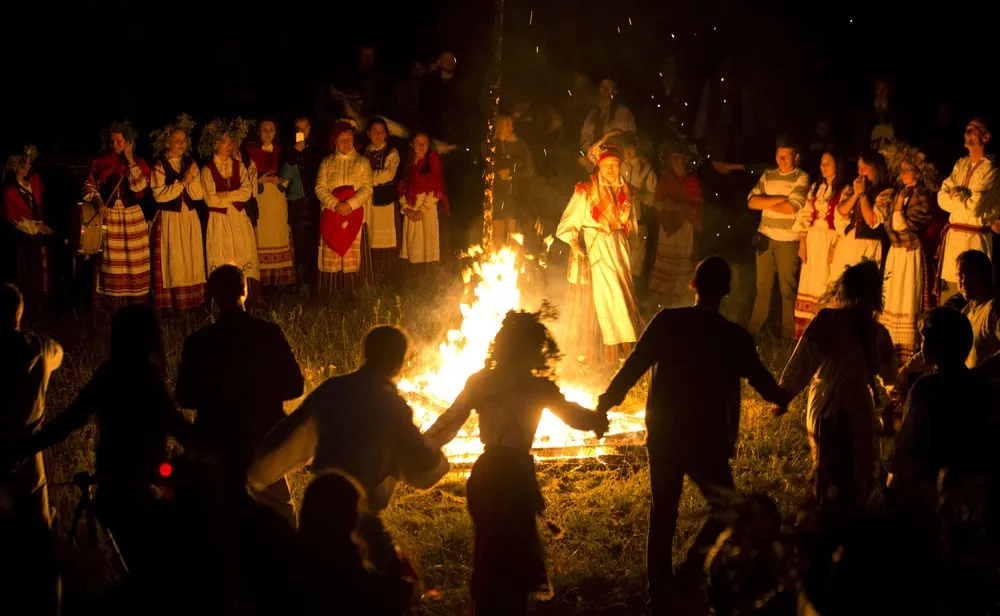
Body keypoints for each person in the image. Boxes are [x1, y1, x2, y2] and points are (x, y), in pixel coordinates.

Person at [596, 257, 788, 615]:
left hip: (666, 436)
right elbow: (765, 383)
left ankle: (661, 594)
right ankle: (687, 574)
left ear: (693, 285)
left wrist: (605, 403)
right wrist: (783, 396)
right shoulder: (734, 337)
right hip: (708, 441)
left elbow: (634, 365)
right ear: (726, 290)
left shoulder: (668, 322)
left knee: (663, 514)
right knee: (729, 508)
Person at [424, 309, 608, 616]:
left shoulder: (481, 381)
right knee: (517, 554)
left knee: (487, 552)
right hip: (515, 476)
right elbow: (575, 416)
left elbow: (449, 422)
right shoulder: (537, 387)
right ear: (534, 348)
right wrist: (598, 420)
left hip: (485, 475)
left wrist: (417, 447)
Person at [247, 325, 448, 574]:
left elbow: (290, 432)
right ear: (398, 363)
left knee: (316, 576)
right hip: (357, 513)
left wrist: (253, 468)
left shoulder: (333, 389)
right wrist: (439, 451)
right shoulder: (392, 405)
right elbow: (421, 462)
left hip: (318, 504)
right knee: (386, 582)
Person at [16, 304, 193, 578]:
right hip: (144, 486)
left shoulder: (109, 372)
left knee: (140, 564)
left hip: (112, 486)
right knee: (155, 568)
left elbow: (71, 418)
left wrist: (28, 447)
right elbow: (172, 421)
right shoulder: (144, 375)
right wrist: (209, 446)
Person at [175, 265, 303, 524]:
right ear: (245, 291)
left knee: (219, 516)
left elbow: (185, 396)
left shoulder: (198, 342)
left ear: (213, 297)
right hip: (264, 435)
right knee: (279, 513)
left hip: (215, 439)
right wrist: (262, 395)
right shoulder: (268, 333)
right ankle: (288, 558)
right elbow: (295, 386)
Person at [775, 260, 899, 514]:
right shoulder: (877, 333)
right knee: (854, 470)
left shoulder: (832, 321)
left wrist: (784, 393)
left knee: (831, 470)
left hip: (828, 404)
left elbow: (803, 359)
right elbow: (891, 380)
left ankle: (828, 525)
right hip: (853, 407)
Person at [889, 307, 990, 499]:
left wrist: (890, 427)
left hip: (929, 488)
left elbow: (907, 447)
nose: (920, 345)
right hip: (968, 488)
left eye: (925, 338)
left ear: (941, 344)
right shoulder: (976, 383)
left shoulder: (926, 388)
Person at [556, 144, 641, 367]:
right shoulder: (586, 190)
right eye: (607, 165)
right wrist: (574, 243)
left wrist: (626, 241)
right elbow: (569, 222)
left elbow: (631, 225)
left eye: (615, 164)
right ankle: (598, 357)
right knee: (601, 300)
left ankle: (625, 353)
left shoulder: (625, 191)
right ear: (599, 166)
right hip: (595, 251)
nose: (612, 169)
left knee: (622, 296)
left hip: (618, 251)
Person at [296, 472, 412, 616]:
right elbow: (369, 596)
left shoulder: (299, 553)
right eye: (352, 509)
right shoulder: (341, 563)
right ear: (338, 514)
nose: (357, 516)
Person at [0, 283, 62, 528]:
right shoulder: (39, 346)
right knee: (37, 531)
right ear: (19, 312)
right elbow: (58, 353)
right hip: (29, 455)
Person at [82, 121, 151, 309]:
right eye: (112, 142)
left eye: (119, 141)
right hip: (111, 216)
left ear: (128, 142)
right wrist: (99, 202)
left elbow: (140, 186)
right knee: (112, 263)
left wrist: (130, 159)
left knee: (134, 263)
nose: (114, 146)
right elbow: (89, 186)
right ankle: (111, 308)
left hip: (133, 218)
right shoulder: (101, 162)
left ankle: (135, 307)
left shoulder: (139, 163)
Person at [747, 137, 811, 339]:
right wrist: (780, 199)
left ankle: (788, 336)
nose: (781, 159)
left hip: (788, 241)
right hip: (765, 237)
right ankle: (753, 333)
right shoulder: (768, 175)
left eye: (786, 155)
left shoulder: (801, 177)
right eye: (778, 154)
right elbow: (751, 202)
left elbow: (792, 207)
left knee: (787, 290)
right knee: (762, 289)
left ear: (796, 156)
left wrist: (765, 202)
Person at [878, 143, 936, 362]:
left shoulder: (921, 196)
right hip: (897, 253)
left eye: (907, 169)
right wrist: (897, 204)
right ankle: (889, 353)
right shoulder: (898, 194)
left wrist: (900, 205)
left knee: (907, 296)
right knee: (893, 296)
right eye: (900, 170)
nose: (902, 174)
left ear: (918, 172)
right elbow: (889, 225)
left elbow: (903, 225)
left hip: (911, 254)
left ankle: (908, 355)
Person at [935, 117, 998, 303]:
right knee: (950, 297)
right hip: (954, 240)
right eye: (966, 129)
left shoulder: (992, 168)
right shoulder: (960, 164)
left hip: (975, 241)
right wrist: (964, 196)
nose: (967, 133)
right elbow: (941, 198)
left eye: (973, 130)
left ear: (986, 137)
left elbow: (975, 208)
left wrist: (957, 194)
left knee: (974, 294)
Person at [149, 116, 206, 311]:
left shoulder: (190, 163)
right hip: (169, 219)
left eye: (184, 140)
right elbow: (159, 196)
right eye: (177, 140)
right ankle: (171, 305)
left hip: (189, 217)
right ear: (167, 142)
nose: (182, 144)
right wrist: (182, 182)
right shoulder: (159, 165)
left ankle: (191, 303)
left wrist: (190, 180)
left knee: (190, 257)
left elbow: (198, 195)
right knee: (173, 260)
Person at [792, 151, 848, 338]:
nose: (823, 166)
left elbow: (843, 222)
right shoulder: (816, 188)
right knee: (809, 281)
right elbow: (805, 214)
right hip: (813, 240)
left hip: (831, 240)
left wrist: (835, 247)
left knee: (826, 282)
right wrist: (802, 244)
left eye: (828, 163)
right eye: (822, 163)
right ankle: (807, 332)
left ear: (837, 166)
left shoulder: (844, 190)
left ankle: (825, 330)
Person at [198, 118, 259, 286]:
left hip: (238, 218)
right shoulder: (207, 169)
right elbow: (211, 200)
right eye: (224, 142)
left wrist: (225, 194)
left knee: (242, 254)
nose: (229, 145)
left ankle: (245, 297)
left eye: (230, 141)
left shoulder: (239, 166)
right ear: (215, 144)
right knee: (222, 255)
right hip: (219, 221)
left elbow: (246, 193)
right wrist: (234, 195)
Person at [315, 121, 373, 292]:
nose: (346, 143)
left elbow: (367, 187)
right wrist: (335, 205)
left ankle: (355, 293)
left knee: (353, 257)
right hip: (331, 216)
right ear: (335, 141)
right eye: (342, 140)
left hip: (355, 217)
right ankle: (330, 294)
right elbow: (319, 187)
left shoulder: (362, 162)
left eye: (349, 139)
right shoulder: (326, 163)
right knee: (332, 253)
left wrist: (349, 205)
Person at [649, 134, 702, 305]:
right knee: (665, 262)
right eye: (674, 158)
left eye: (680, 157)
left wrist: (681, 206)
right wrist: (664, 205)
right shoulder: (665, 179)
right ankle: (662, 298)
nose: (677, 161)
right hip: (668, 228)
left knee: (681, 263)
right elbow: (656, 203)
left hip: (684, 229)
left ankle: (680, 297)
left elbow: (697, 206)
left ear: (686, 159)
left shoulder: (692, 181)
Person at [828, 151, 893, 284]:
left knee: (861, 288)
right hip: (849, 243)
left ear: (876, 168)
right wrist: (857, 194)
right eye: (859, 168)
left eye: (865, 168)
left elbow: (872, 220)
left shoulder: (886, 192)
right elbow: (841, 211)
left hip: (869, 245)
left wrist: (863, 195)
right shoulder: (853, 189)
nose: (861, 172)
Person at [247, 119, 296, 287]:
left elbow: (289, 174)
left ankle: (279, 282)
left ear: (275, 133)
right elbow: (247, 178)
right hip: (261, 198)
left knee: (278, 231)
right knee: (263, 233)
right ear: (259, 132)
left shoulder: (281, 151)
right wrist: (260, 180)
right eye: (264, 130)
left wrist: (280, 181)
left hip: (276, 198)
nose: (268, 133)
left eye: (271, 130)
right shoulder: (250, 152)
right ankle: (263, 282)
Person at [2, 145, 52, 306]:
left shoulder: (32, 183)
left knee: (38, 272)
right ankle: (22, 306)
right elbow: (14, 218)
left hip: (35, 238)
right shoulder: (10, 192)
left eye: (28, 166)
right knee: (24, 273)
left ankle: (38, 304)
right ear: (15, 169)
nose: (26, 170)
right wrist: (37, 227)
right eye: (23, 167)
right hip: (21, 240)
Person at [399, 133, 448, 266]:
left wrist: (422, 210)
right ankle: (414, 271)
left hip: (427, 210)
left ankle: (429, 272)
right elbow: (402, 188)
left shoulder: (432, 163)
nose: (421, 146)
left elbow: (436, 190)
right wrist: (406, 208)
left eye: (424, 143)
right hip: (411, 207)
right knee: (413, 241)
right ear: (412, 145)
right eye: (417, 143)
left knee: (426, 240)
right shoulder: (408, 164)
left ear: (428, 145)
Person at [285, 116, 322, 288]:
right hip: (296, 205)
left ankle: (313, 279)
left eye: (304, 128)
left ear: (310, 129)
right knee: (298, 242)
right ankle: (298, 281)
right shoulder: (288, 151)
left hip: (313, 204)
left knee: (313, 242)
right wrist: (294, 152)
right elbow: (285, 176)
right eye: (298, 129)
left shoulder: (316, 150)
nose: (301, 132)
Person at [363, 117, 401, 281]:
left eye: (381, 132)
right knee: (370, 236)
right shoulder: (363, 153)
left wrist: (366, 179)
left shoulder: (392, 153)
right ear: (368, 134)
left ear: (386, 134)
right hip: (367, 201)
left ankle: (387, 277)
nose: (378, 135)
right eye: (374, 132)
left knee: (386, 238)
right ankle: (370, 275)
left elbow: (387, 174)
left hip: (385, 202)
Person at [491, 114, 535, 246]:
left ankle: (514, 263)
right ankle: (496, 261)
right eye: (507, 124)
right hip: (497, 194)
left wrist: (512, 172)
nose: (512, 127)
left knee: (514, 235)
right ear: (499, 126)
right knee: (497, 232)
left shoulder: (520, 145)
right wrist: (498, 171)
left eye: (512, 124)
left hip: (515, 195)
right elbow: (488, 166)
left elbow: (529, 170)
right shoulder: (491, 145)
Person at [620, 134, 657, 288]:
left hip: (639, 219)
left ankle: (633, 290)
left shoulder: (646, 170)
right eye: (625, 148)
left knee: (636, 257)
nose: (628, 151)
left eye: (631, 148)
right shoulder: (620, 166)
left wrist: (639, 195)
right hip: (621, 217)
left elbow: (654, 197)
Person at [579, 79, 636, 154]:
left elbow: (626, 141)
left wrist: (606, 153)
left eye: (606, 89)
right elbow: (584, 136)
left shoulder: (622, 113)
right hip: (593, 159)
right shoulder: (593, 113)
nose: (601, 91)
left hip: (615, 160)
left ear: (614, 92)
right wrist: (592, 151)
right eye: (600, 88)